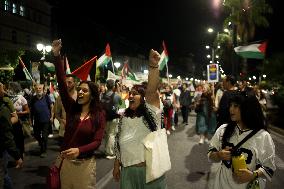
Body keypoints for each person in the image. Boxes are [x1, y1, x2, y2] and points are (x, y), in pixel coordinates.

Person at [52, 39, 106, 189]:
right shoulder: (72, 108)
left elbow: (97, 141)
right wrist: (56, 55)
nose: (80, 92)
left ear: (93, 95)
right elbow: (62, 85)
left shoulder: (99, 114)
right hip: (66, 164)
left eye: (85, 90)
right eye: (79, 89)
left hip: (85, 165)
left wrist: (79, 150)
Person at [113, 49, 167, 188]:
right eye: (129, 94)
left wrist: (153, 66)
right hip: (128, 173)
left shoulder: (152, 115)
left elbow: (151, 91)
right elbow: (118, 144)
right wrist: (116, 165)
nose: (130, 96)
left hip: (150, 174)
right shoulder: (123, 118)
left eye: (135, 94)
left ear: (143, 100)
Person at [208, 89, 276, 189]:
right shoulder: (223, 129)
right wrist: (218, 155)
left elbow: (269, 168)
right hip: (221, 184)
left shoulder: (263, 136)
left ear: (248, 108)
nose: (231, 109)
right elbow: (210, 155)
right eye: (230, 105)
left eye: (235, 106)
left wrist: (253, 174)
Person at [0, 82, 23, 188]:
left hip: (10, 131)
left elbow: (15, 118)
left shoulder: (5, 103)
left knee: (3, 175)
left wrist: (17, 155)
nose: (6, 90)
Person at [30, 83, 53, 158]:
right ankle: (41, 143)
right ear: (35, 89)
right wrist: (30, 120)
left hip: (46, 120)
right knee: (36, 135)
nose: (38, 90)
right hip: (36, 120)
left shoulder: (46, 97)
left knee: (44, 136)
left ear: (42, 89)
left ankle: (43, 151)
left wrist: (52, 116)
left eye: (40, 88)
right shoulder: (33, 98)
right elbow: (31, 110)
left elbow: (51, 106)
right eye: (37, 88)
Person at [54, 74, 77, 140]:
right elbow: (57, 114)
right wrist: (62, 121)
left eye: (69, 82)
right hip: (64, 131)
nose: (67, 85)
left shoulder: (80, 96)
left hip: (77, 131)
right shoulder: (60, 98)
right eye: (65, 83)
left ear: (74, 83)